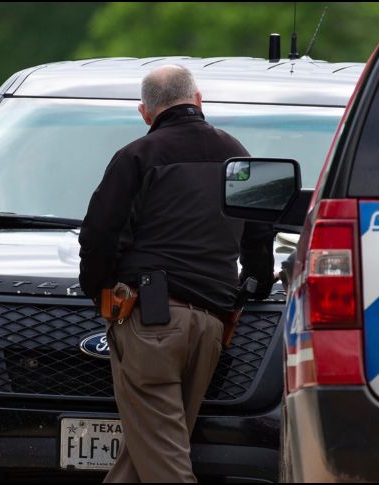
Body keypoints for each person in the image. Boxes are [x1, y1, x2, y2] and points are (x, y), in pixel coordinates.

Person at [78, 65, 273, 482]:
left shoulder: (136, 157)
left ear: (145, 112)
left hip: (151, 323)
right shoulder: (239, 156)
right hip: (210, 328)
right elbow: (259, 237)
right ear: (198, 100)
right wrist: (254, 287)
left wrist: (97, 292)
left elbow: (100, 236)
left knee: (164, 462)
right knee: (151, 453)